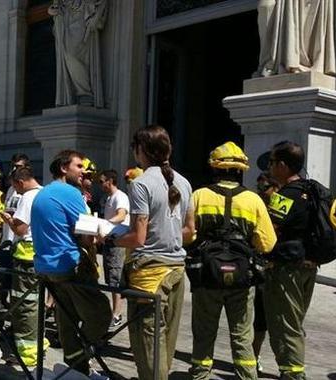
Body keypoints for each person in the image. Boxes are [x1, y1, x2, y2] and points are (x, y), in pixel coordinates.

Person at [188, 142, 277, 380]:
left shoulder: (199, 195)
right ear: (240, 170)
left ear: (215, 168)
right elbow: (267, 244)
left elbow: (188, 235)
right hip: (242, 279)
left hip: (207, 276)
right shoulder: (253, 200)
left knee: (204, 332)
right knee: (242, 335)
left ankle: (200, 374)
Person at [114, 125, 194, 380]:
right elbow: (189, 231)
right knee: (166, 341)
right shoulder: (184, 182)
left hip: (150, 275)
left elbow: (138, 237)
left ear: (141, 150)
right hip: (177, 272)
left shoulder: (140, 184)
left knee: (148, 342)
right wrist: (166, 234)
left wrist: (110, 239)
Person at [31, 149, 111, 376]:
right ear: (64, 168)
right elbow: (86, 237)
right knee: (101, 313)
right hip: (70, 266)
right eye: (79, 166)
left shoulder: (43, 193)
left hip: (47, 268)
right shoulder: (70, 193)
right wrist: (101, 232)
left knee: (67, 318)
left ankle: (76, 366)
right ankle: (84, 350)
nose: (83, 171)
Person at [261, 141, 316, 379]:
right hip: (309, 266)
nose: (270, 167)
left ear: (283, 165)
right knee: (295, 322)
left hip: (287, 269)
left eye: (272, 162)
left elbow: (270, 230)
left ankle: (293, 374)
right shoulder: (315, 189)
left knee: (285, 324)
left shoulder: (285, 195)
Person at [1, 166, 44, 366]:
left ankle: (26, 355)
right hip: (40, 256)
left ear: (20, 182)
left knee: (24, 305)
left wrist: (9, 219)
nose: (16, 191)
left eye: (15, 187)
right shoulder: (44, 193)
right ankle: (38, 345)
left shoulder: (27, 198)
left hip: (26, 258)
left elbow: (21, 228)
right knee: (36, 304)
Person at [0, 154, 31, 311]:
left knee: (17, 279)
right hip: (7, 237)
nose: (15, 169)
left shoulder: (28, 192)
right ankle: (2, 301)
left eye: (19, 166)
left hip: (20, 240)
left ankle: (16, 307)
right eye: (14, 166)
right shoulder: (11, 189)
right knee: (2, 274)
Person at [253, 172, 280, 373]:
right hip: (260, 268)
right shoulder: (257, 206)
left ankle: (286, 363)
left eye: (264, 188)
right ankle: (254, 356)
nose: (261, 192)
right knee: (259, 318)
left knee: (279, 320)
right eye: (258, 188)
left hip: (278, 269)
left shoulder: (281, 208)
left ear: (275, 188)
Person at [98, 169, 130, 328]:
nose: (100, 184)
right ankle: (114, 311)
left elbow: (122, 215)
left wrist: (105, 224)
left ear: (110, 181)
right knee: (111, 278)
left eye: (102, 181)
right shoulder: (108, 198)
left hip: (118, 243)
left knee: (116, 278)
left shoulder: (120, 196)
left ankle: (117, 314)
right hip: (109, 242)